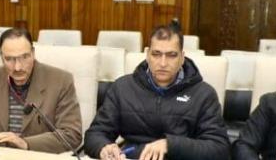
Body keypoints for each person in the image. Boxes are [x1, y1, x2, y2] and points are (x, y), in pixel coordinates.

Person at [84, 24, 229, 160]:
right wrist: (103, 147)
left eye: (171, 55)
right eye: (156, 54)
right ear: (147, 55)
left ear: (182, 57)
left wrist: (170, 145)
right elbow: (95, 134)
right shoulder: (122, 88)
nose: (163, 63)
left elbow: (219, 149)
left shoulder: (203, 94)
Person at [0, 28, 82, 154]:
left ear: (33, 53)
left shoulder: (61, 81)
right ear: (1, 57)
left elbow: (71, 135)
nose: (18, 67)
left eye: (24, 57)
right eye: (9, 59)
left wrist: (25, 143)